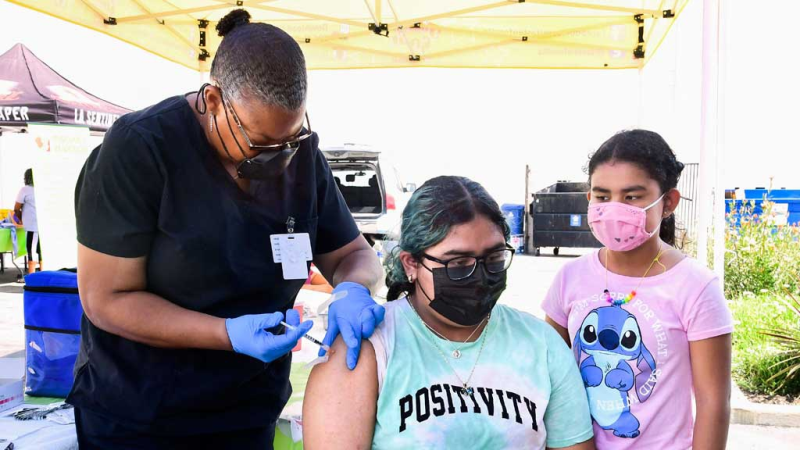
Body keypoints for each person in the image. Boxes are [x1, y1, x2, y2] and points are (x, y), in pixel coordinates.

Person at [70, 9, 384, 449]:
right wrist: (227, 334)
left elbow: (355, 255)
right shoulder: (140, 149)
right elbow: (106, 298)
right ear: (213, 100)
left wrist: (354, 289)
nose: (277, 159)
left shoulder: (301, 158)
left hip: (247, 411)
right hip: (141, 415)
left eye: (289, 141)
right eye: (259, 144)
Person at [303, 176, 595, 450]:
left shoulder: (541, 345)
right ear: (411, 264)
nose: (480, 276)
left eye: (494, 258)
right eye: (458, 264)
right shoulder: (366, 348)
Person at [542, 130, 733, 449]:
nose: (615, 209)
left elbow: (714, 404)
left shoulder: (696, 287)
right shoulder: (569, 277)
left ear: (668, 202)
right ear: (589, 199)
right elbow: (552, 377)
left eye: (632, 197)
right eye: (602, 196)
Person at [14, 168, 41, 274]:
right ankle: (42, 276)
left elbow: (16, 208)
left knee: (31, 251)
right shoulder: (42, 188)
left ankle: (32, 278)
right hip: (42, 225)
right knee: (41, 252)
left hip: (31, 226)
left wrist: (19, 220)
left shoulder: (25, 190)